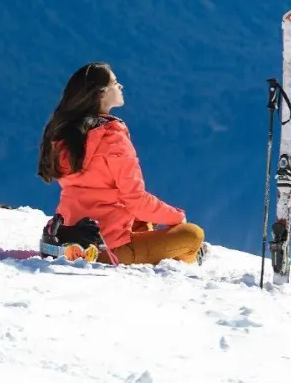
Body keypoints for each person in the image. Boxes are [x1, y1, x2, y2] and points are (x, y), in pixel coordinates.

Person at [37, 62, 205, 265]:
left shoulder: (66, 136)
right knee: (192, 235)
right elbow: (135, 199)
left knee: (142, 220)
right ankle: (186, 262)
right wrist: (178, 218)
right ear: (101, 94)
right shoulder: (112, 139)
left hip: (70, 236)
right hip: (105, 249)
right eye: (115, 83)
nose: (120, 87)